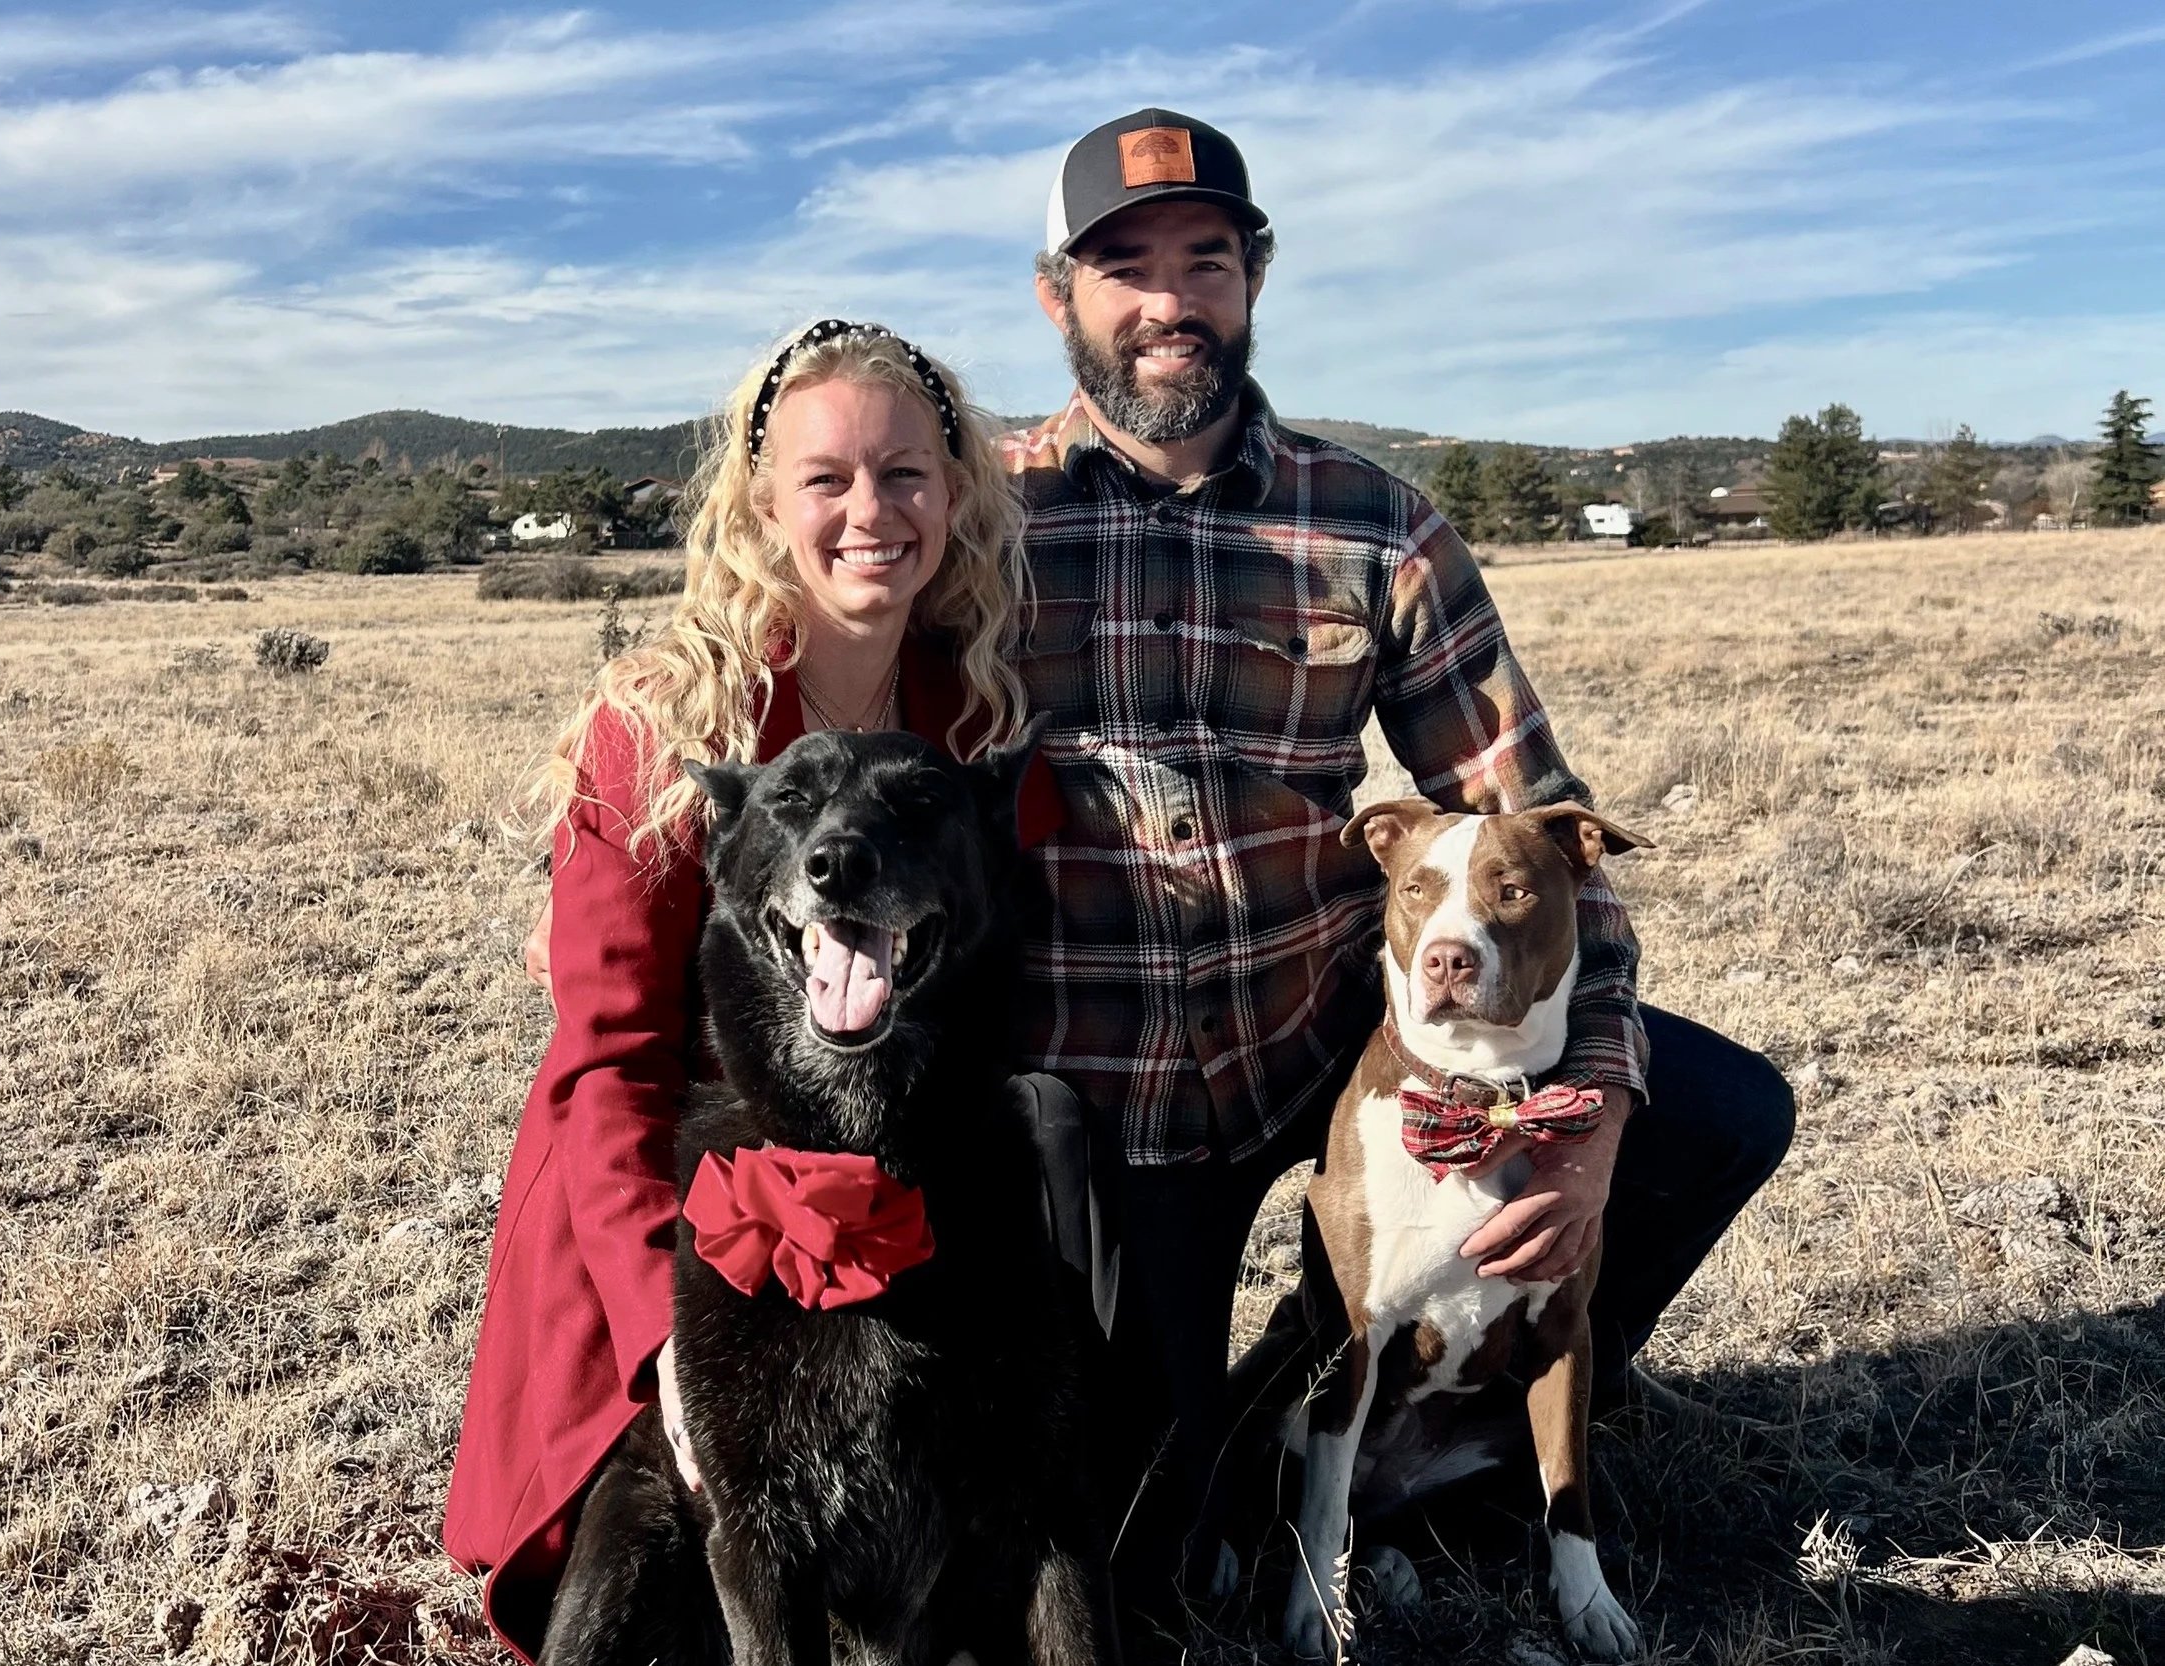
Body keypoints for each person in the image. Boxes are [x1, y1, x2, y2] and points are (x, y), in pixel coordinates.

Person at [1004, 109, 1796, 1617]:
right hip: (1098, 1096)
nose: (1170, 299)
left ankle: (1472, 1435)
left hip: (1325, 1044)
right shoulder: (984, 516)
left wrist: (1595, 1106)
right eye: (1125, 267)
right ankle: (1279, 1397)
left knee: (1719, 1112)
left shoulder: (1376, 526)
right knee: (1139, 1557)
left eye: (1207, 259)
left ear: (1257, 275)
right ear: (1059, 295)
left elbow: (1537, 817)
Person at [441, 318, 1063, 1658]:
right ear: (762, 502)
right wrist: (668, 1333)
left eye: (904, 474)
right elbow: (608, 1060)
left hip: (892, 1185)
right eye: (825, 478)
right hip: (680, 1199)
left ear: (956, 495)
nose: (869, 513)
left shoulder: (967, 719)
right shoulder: (662, 725)